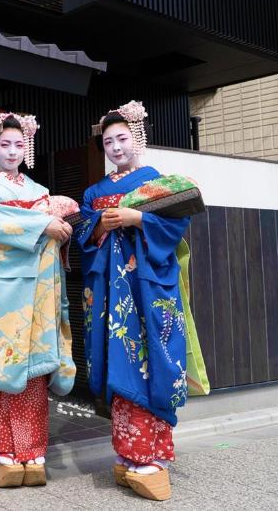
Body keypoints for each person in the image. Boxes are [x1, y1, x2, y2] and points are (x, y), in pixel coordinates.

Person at [0, 112, 76, 489]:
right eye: (4, 144)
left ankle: (33, 448)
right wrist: (42, 223)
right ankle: (3, 451)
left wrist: (59, 226)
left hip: (38, 287)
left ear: (28, 148)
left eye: (19, 144)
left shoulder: (38, 189)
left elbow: (61, 223)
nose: (11, 151)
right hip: (0, 289)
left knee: (34, 370)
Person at [75, 100, 189, 502]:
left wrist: (138, 219)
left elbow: (177, 223)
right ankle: (128, 455)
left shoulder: (156, 180)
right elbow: (82, 235)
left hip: (145, 284)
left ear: (137, 138)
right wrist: (97, 225)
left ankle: (152, 458)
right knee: (118, 357)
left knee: (152, 354)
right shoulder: (94, 191)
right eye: (108, 141)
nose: (116, 147)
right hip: (110, 288)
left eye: (122, 138)